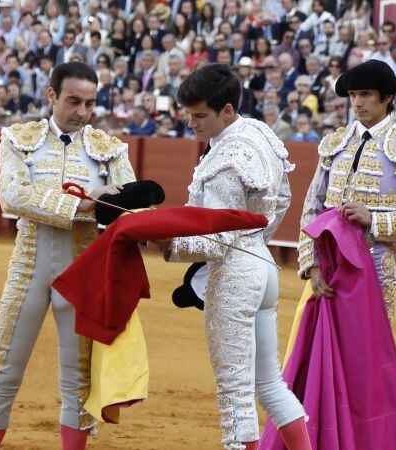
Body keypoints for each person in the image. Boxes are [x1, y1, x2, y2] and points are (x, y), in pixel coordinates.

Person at [265, 58, 396, 448]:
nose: (357, 103)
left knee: (365, 365)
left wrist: (374, 220)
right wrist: (310, 267)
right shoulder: (334, 144)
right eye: (352, 95)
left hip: (374, 270)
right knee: (317, 356)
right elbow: (312, 209)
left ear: (388, 98)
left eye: (365, 95)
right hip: (328, 268)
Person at [0, 62, 136, 450]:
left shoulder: (109, 149)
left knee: (78, 380)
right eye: (73, 101)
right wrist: (83, 208)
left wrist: (125, 205)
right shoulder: (18, 138)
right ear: (51, 96)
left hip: (82, 274)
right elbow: (12, 196)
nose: (82, 112)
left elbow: (128, 202)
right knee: (3, 373)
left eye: (90, 103)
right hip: (27, 268)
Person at [155, 63, 310, 450]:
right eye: (188, 114)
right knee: (269, 384)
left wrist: (168, 243)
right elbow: (283, 199)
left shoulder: (226, 159)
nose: (192, 123)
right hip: (263, 264)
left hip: (234, 275)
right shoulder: (258, 132)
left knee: (235, 393)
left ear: (226, 110)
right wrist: (257, 239)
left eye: (200, 115)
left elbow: (217, 242)